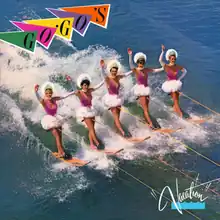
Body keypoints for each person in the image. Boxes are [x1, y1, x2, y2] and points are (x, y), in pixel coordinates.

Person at [34, 82, 76, 159]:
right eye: (47, 93)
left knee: (59, 136)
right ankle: (62, 153)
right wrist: (36, 91)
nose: (49, 94)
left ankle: (60, 151)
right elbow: (38, 98)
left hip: (56, 119)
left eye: (50, 93)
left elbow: (64, 96)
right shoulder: (43, 101)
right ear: (45, 94)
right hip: (49, 120)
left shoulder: (54, 99)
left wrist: (73, 92)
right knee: (57, 136)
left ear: (52, 93)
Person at [127, 48, 164, 129]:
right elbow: (130, 64)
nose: (141, 63)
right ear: (137, 63)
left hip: (146, 91)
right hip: (141, 91)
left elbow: (155, 70)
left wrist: (163, 67)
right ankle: (151, 125)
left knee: (146, 109)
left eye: (142, 62)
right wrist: (130, 55)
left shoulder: (146, 69)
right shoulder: (136, 70)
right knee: (146, 110)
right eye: (140, 62)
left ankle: (146, 122)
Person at [100, 59, 132, 136]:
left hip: (118, 99)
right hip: (111, 100)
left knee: (117, 117)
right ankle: (122, 132)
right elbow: (103, 74)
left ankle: (116, 130)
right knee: (116, 118)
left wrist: (133, 70)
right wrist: (102, 67)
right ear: (110, 71)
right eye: (113, 71)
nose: (114, 72)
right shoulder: (107, 79)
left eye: (115, 71)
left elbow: (126, 74)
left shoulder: (118, 77)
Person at [75, 74, 104, 149]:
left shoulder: (90, 90)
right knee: (92, 129)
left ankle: (91, 144)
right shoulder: (79, 92)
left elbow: (98, 86)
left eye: (87, 85)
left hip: (91, 110)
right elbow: (73, 91)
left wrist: (104, 80)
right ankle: (97, 143)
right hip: (85, 112)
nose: (86, 86)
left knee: (91, 128)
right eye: (84, 85)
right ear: (81, 85)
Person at [159, 44, 187, 117]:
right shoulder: (166, 66)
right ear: (169, 59)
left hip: (176, 84)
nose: (173, 60)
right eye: (172, 58)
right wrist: (162, 51)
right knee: (176, 100)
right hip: (169, 85)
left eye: (174, 59)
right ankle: (181, 115)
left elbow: (185, 71)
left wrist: (179, 79)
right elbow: (160, 60)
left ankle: (175, 108)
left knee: (176, 99)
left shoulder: (177, 66)